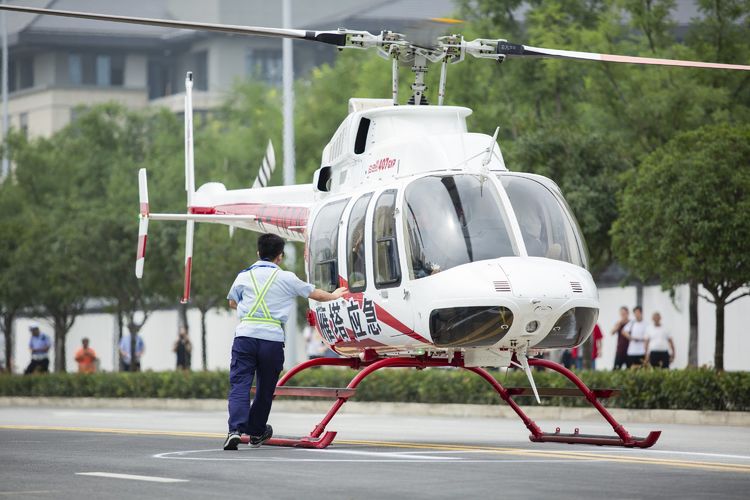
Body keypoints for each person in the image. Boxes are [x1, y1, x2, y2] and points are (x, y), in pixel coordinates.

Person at [223, 233, 347, 451]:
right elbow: (315, 294)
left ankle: (235, 430)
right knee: (265, 388)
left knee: (240, 384)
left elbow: (233, 302)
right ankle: (256, 430)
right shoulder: (287, 278)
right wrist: (335, 295)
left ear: (258, 253)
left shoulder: (243, 276)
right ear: (279, 257)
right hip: (271, 339)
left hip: (245, 337)